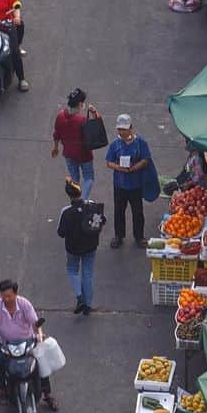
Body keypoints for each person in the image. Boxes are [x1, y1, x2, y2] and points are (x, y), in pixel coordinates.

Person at [0, 280, 57, 410]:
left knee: (41, 362)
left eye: (9, 296)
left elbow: (35, 323)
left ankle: (47, 394)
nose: (6, 299)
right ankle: (3, 390)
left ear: (16, 294)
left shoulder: (25, 304)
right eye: (3, 296)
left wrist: (40, 334)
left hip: (27, 342)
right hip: (6, 344)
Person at [105, 113, 155, 248]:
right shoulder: (115, 144)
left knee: (137, 211)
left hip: (136, 184)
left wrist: (134, 167)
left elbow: (146, 160)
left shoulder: (141, 143)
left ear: (131, 129)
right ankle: (119, 236)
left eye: (124, 129)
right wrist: (119, 168)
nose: (121, 132)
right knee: (119, 211)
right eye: (119, 129)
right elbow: (109, 162)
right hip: (120, 184)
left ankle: (139, 236)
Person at [57, 178, 105, 315]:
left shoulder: (66, 212)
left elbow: (61, 232)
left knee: (72, 270)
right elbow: (101, 221)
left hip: (73, 248)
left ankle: (80, 297)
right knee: (88, 274)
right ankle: (88, 305)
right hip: (91, 246)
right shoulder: (92, 205)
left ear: (69, 195)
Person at [51, 88, 98, 197]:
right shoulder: (82, 120)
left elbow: (56, 134)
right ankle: (82, 200)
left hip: (68, 154)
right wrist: (94, 113)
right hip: (84, 155)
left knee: (75, 179)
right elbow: (95, 129)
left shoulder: (60, 116)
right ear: (80, 104)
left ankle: (75, 201)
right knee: (89, 178)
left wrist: (56, 147)